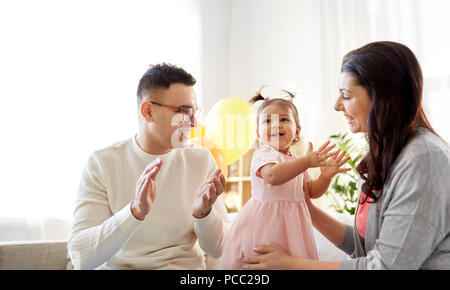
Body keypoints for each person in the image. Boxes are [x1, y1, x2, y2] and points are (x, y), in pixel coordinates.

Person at [241, 41, 450, 270]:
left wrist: (291, 265)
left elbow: (385, 266)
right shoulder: (385, 155)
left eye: (346, 96)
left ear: (383, 98)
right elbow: (366, 246)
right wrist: (305, 209)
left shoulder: (424, 160)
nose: (336, 105)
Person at [68, 63, 230, 270]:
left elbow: (220, 250)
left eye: (195, 111)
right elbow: (80, 257)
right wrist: (135, 212)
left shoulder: (200, 160)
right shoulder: (103, 163)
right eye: (185, 111)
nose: (194, 122)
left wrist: (204, 215)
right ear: (148, 111)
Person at [221, 89, 350, 269]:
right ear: (258, 134)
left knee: (292, 261)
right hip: (266, 223)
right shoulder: (263, 154)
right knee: (264, 262)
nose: (276, 125)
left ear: (297, 131)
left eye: (284, 119)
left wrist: (325, 177)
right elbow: (273, 176)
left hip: (294, 226)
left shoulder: (295, 161)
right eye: (267, 121)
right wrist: (306, 161)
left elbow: (311, 192)